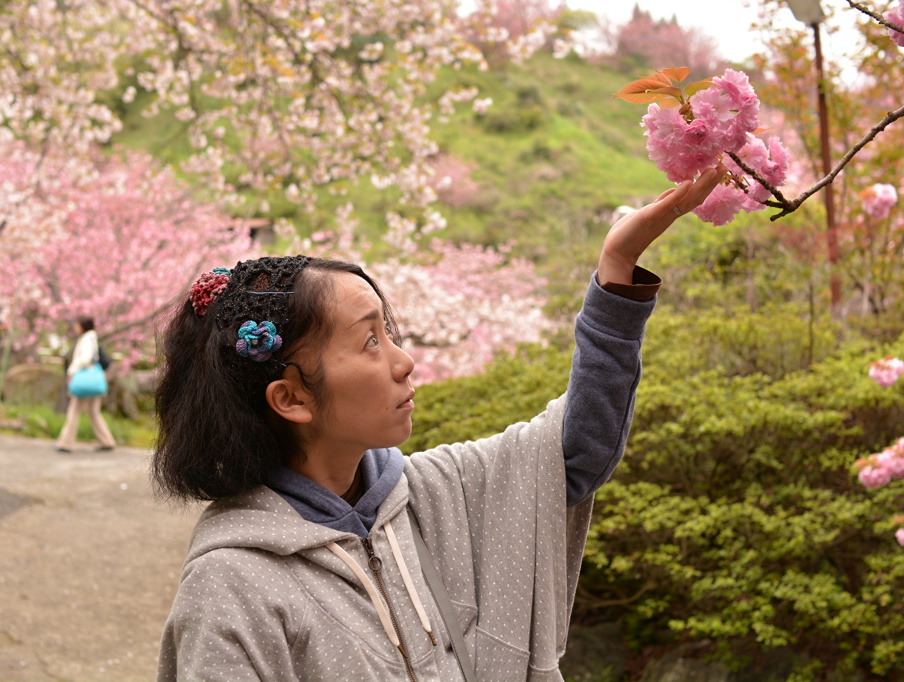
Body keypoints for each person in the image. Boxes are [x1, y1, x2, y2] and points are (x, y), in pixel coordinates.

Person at [153, 168, 725, 681]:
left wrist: (617, 274)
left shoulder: (425, 494)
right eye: (371, 341)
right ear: (292, 398)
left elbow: (573, 450)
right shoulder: (230, 589)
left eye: (391, 333)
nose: (403, 361)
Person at [54, 316, 115, 453]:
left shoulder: (86, 339)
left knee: (74, 411)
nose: (75, 328)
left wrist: (71, 371)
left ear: (82, 326)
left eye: (77, 325)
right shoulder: (93, 338)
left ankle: (65, 443)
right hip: (93, 380)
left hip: (84, 380)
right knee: (94, 412)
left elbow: (85, 359)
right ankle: (106, 441)